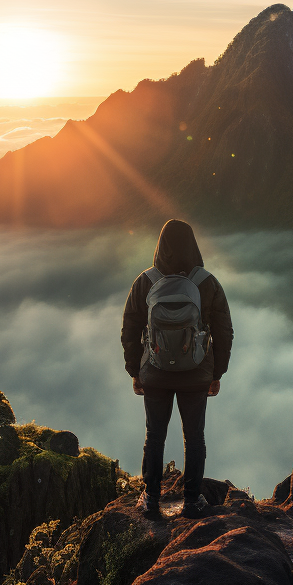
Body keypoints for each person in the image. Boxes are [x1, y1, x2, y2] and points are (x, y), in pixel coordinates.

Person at [121, 219, 233, 519]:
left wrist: (135, 370)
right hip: (196, 373)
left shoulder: (145, 281)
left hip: (154, 373)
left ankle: (151, 499)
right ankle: (193, 500)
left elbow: (129, 328)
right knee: (194, 437)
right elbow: (224, 331)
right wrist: (216, 374)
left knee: (154, 436)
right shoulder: (208, 283)